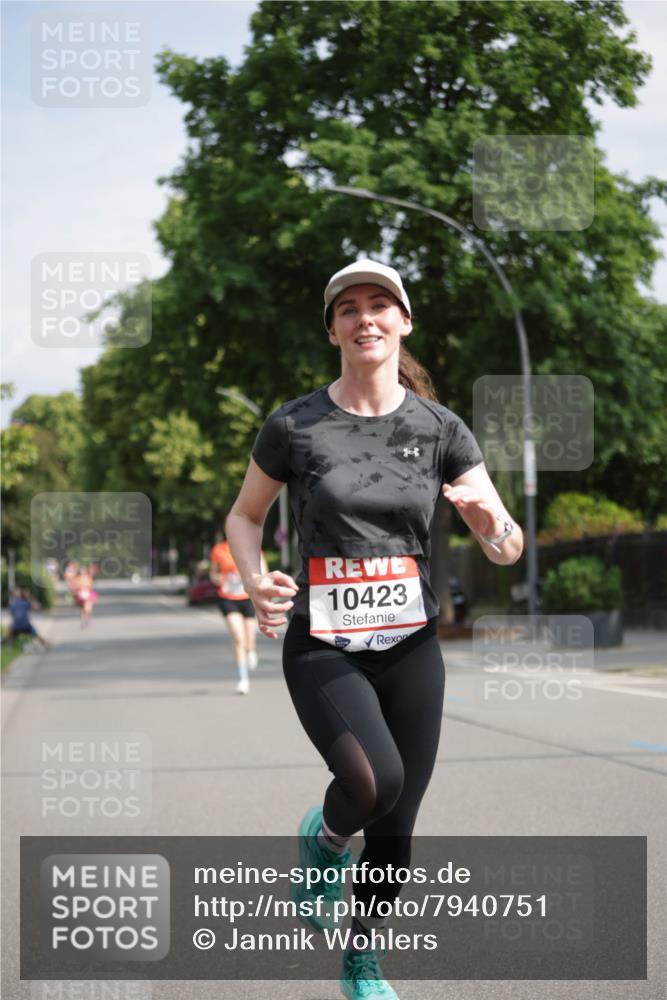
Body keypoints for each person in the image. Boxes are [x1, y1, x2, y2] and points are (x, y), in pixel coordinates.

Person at [225, 259, 523, 1000]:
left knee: (395, 831)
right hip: (324, 643)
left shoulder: (439, 427)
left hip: (411, 645)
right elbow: (243, 516)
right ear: (331, 329)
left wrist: (491, 525)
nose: (365, 318)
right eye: (349, 308)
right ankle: (322, 841)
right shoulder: (293, 424)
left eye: (380, 305)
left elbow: (507, 545)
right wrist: (256, 579)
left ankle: (360, 959)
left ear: (403, 321)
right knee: (370, 781)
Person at [209, 532, 268, 695]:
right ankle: (243, 679)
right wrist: (217, 578)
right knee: (237, 636)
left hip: (247, 598)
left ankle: (251, 650)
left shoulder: (253, 549)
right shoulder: (219, 550)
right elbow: (213, 573)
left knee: (249, 638)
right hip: (227, 597)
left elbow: (264, 572)